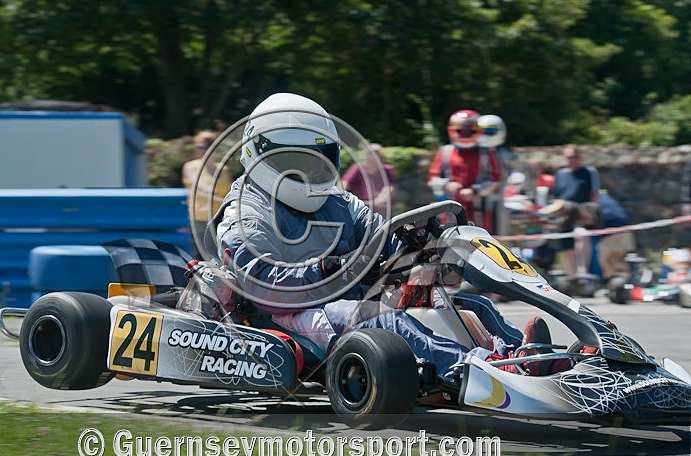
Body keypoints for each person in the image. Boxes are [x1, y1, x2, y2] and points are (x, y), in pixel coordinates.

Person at [214, 92, 550, 390]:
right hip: (292, 312)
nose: (309, 173)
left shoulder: (338, 202)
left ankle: (527, 357)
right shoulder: (246, 213)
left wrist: (417, 242)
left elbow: (380, 236)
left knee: (468, 304)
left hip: (353, 295)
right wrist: (328, 268)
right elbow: (263, 284)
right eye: (296, 162)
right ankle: (484, 370)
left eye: (318, 160)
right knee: (388, 321)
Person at [427, 110, 501, 233]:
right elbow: (432, 179)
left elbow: (495, 180)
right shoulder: (445, 152)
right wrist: (447, 185)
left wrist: (475, 190)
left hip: (480, 210)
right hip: (449, 209)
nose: (465, 132)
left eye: (469, 129)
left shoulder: (487, 153)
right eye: (461, 129)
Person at [547, 145, 601, 277]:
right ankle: (572, 275)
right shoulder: (560, 174)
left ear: (579, 157)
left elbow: (594, 193)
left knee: (581, 236)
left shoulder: (588, 172)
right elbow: (556, 195)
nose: (571, 160)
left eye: (574, 157)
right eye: (568, 157)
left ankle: (583, 272)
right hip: (564, 212)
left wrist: (592, 211)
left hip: (582, 211)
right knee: (566, 244)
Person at [182, 130, 233, 256]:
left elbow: (230, 192)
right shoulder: (191, 166)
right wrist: (215, 195)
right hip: (199, 220)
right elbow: (198, 185)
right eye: (199, 147)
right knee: (203, 258)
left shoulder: (223, 169)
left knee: (222, 257)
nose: (202, 150)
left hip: (221, 219)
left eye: (206, 146)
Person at [341, 142, 396, 212]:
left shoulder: (387, 169)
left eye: (376, 153)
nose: (373, 156)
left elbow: (390, 187)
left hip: (383, 208)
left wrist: (380, 200)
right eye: (370, 153)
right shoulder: (358, 168)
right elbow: (344, 183)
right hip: (364, 207)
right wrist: (339, 196)